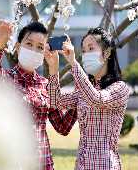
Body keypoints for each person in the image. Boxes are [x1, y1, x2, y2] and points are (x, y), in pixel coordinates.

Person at [0, 20, 77, 170]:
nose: (34, 50)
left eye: (40, 47)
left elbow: (62, 127)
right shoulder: (6, 79)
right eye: (29, 44)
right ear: (17, 47)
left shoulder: (45, 84)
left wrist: (78, 98)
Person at [48, 27, 130, 170]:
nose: (85, 54)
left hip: (105, 165)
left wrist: (73, 63)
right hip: (82, 164)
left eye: (91, 48)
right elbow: (56, 101)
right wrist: (53, 67)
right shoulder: (85, 89)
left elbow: (96, 99)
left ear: (107, 53)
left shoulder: (120, 88)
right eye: (84, 51)